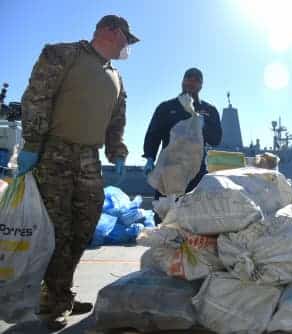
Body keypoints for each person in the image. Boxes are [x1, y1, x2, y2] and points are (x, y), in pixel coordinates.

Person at [17, 15, 139, 330]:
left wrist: (117, 152)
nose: (128, 47)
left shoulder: (117, 77)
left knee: (83, 228)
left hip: (89, 158)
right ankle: (53, 301)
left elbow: (117, 121)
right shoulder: (62, 54)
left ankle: (60, 291)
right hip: (53, 154)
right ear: (112, 32)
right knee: (58, 231)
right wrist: (32, 143)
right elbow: (36, 98)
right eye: (127, 39)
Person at [143, 68, 222, 223]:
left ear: (201, 85)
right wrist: (150, 157)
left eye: (196, 80)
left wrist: (203, 124)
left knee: (196, 215)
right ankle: (163, 245)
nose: (192, 82)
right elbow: (153, 134)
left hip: (196, 172)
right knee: (164, 214)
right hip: (169, 170)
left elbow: (216, 139)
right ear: (182, 80)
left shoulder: (209, 111)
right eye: (189, 78)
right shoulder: (166, 108)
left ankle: (193, 246)